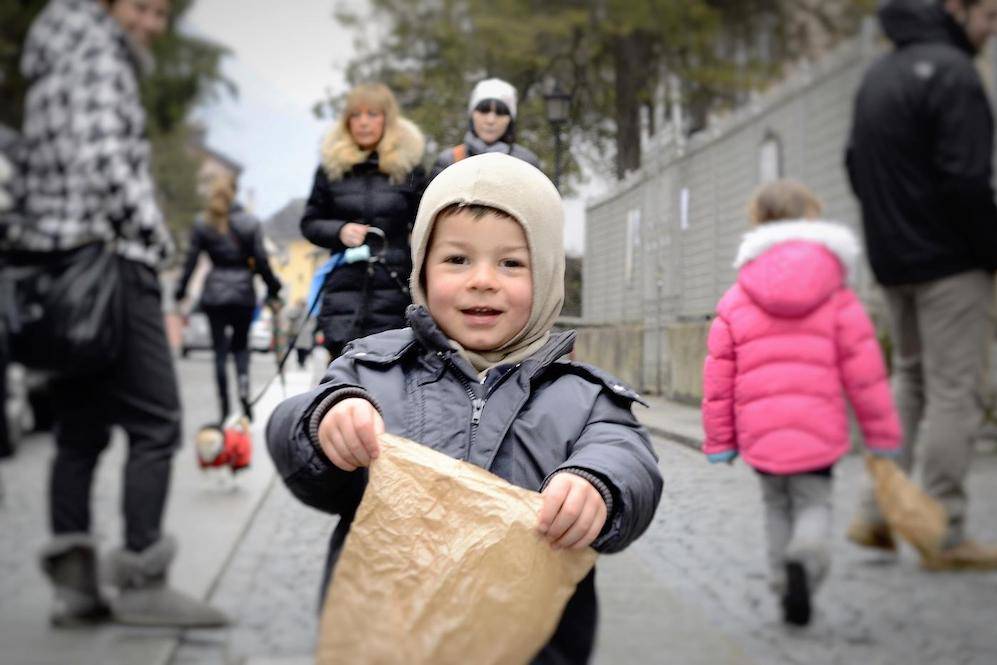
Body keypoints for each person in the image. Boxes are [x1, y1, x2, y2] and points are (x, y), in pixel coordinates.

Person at [267, 153, 663, 663]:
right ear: (422, 268)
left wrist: (598, 483)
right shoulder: (371, 371)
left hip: (529, 648)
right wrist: (324, 423)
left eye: (511, 263)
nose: (482, 280)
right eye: (457, 260)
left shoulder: (584, 397)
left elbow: (628, 455)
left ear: (547, 274)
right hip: (387, 641)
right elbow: (297, 446)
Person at [19, 0, 226, 627]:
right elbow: (108, 164)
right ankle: (142, 582)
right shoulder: (99, 57)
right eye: (141, 8)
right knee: (157, 422)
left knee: (78, 430)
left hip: (62, 269)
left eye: (161, 14)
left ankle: (77, 591)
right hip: (112, 264)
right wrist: (156, 237)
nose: (152, 25)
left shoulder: (51, 61)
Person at [702, 180, 901, 626]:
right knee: (814, 503)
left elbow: (718, 378)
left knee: (776, 505)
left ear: (758, 221)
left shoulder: (736, 299)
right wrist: (882, 434)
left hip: (761, 429)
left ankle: (780, 579)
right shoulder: (837, 295)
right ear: (811, 217)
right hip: (819, 425)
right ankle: (806, 557)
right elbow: (865, 372)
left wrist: (720, 441)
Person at [845, 0, 997, 569]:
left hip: (894, 262)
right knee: (956, 389)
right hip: (952, 263)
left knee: (908, 381)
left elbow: (855, 166)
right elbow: (967, 179)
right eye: (989, 16)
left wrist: (892, 236)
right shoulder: (956, 74)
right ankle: (944, 532)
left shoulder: (878, 75)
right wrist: (992, 250)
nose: (994, 28)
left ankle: (876, 512)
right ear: (956, 9)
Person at [300, 82, 425, 359]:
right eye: (355, 115)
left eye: (372, 114)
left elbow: (426, 224)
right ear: (346, 121)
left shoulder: (409, 168)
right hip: (343, 287)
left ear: (387, 119)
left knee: (392, 369)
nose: (363, 122)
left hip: (395, 287)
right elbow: (309, 223)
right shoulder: (330, 170)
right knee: (342, 372)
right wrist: (339, 231)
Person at [174, 173, 282, 423]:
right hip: (243, 293)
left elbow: (191, 261)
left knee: (220, 352)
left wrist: (180, 290)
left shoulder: (204, 223)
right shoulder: (250, 223)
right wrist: (273, 287)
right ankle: (244, 393)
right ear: (235, 191)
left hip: (214, 294)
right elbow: (262, 261)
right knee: (241, 348)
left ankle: (223, 409)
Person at [428, 77, 540, 181]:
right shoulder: (449, 161)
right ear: (472, 115)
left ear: (510, 119)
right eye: (484, 111)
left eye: (500, 113)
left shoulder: (526, 164)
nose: (490, 120)